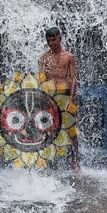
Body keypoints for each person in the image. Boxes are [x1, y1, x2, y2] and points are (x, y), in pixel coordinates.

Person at [37, 26, 79, 171]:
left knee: (70, 129)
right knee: (46, 127)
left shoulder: (69, 57)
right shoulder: (43, 58)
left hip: (64, 94)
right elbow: (41, 78)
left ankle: (75, 161)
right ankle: (46, 162)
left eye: (53, 40)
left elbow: (73, 79)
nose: (51, 43)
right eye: (48, 40)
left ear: (59, 38)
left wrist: (71, 99)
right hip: (49, 96)